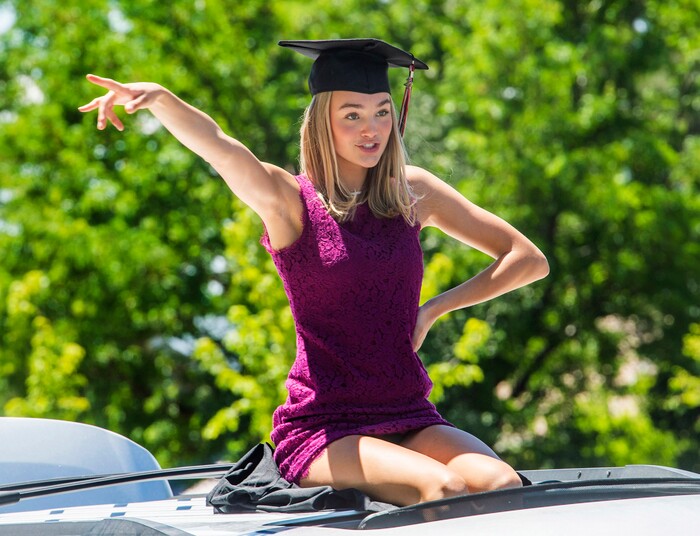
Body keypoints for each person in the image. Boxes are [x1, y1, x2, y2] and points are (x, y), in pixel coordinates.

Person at [79, 38, 549, 507]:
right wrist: (160, 98)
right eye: (352, 115)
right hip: (324, 426)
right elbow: (222, 150)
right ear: (323, 121)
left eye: (382, 111)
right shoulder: (291, 204)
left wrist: (430, 312)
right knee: (443, 489)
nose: (372, 129)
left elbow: (527, 259)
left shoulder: (412, 192)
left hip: (407, 409)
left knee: (500, 486)